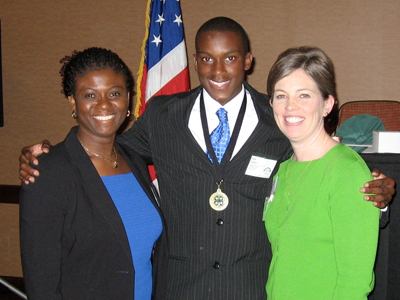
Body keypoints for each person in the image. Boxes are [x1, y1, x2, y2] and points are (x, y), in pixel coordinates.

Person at [19, 18, 394, 299]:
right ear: (195, 61)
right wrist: (47, 154)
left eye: (230, 57)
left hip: (254, 287)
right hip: (179, 287)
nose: (218, 70)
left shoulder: (279, 119)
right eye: (207, 58)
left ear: (247, 60)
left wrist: (376, 191)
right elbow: (110, 151)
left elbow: (321, 167)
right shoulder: (163, 115)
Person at [19, 47, 168, 300]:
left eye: (114, 93)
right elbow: (41, 283)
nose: (104, 104)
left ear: (128, 98)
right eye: (90, 95)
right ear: (73, 102)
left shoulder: (133, 160)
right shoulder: (50, 172)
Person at [264, 46, 379, 299]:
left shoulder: (346, 170)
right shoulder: (283, 170)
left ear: (327, 104)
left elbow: (355, 281)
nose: (290, 107)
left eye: (304, 95)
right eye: (281, 96)